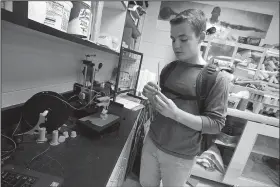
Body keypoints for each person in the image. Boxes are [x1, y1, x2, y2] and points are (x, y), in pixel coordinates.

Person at [141, 9, 229, 187]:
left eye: (183, 39)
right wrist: (151, 97)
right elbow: (158, 109)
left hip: (180, 156)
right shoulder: (169, 69)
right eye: (173, 39)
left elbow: (216, 124)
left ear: (201, 37)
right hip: (152, 143)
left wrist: (176, 114)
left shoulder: (215, 78)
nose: (176, 45)